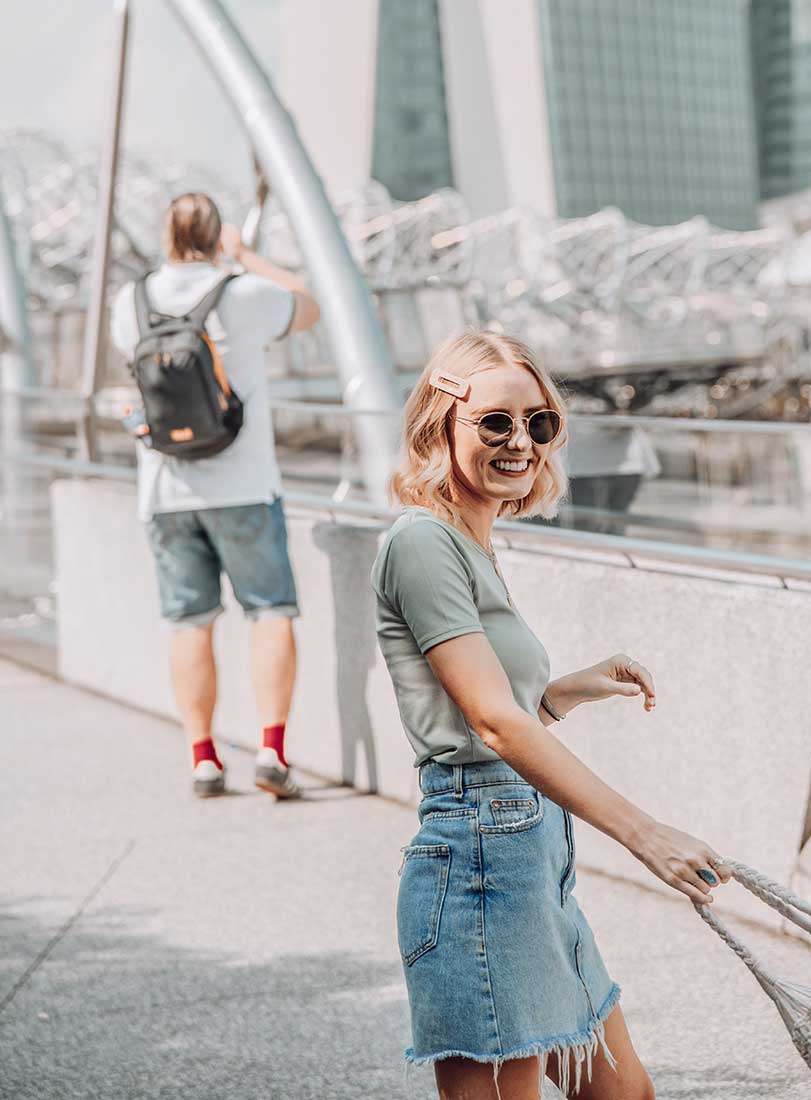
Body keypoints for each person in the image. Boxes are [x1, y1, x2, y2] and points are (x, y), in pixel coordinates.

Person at [371, 331, 730, 1100]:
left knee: (623, 1092)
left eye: (539, 423)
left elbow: (489, 709)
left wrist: (568, 687)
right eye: (495, 422)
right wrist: (646, 834)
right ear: (440, 423)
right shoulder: (421, 545)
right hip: (479, 861)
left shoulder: (473, 541)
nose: (521, 442)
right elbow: (492, 727)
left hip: (531, 857)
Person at [110, 192, 320, 799]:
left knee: (188, 624)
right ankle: (272, 752)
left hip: (165, 487)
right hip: (245, 485)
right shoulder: (244, 293)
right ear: (215, 233)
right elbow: (308, 307)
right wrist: (247, 256)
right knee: (271, 612)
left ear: (164, 233)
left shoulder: (129, 300)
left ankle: (203, 759)